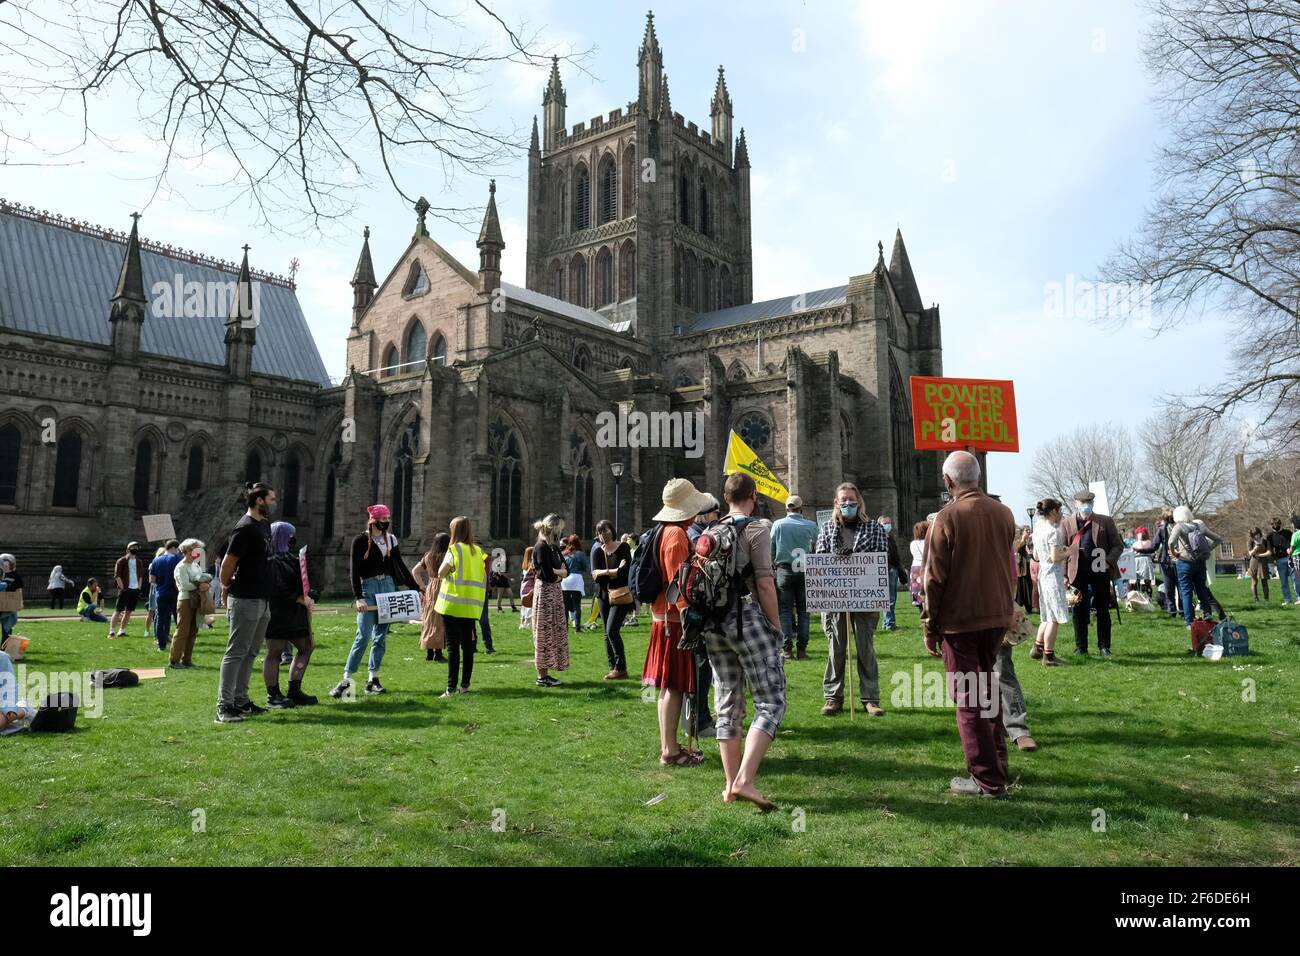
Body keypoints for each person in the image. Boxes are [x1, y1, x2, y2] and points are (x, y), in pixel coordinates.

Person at [920, 451, 1016, 798]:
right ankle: (997, 766)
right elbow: (1010, 567)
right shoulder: (1004, 513)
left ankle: (987, 779)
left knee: (971, 699)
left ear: (948, 481)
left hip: (961, 623)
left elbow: (933, 580)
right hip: (995, 617)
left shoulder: (947, 517)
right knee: (985, 691)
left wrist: (929, 626)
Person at [706, 472, 788, 810]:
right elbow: (766, 584)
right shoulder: (756, 529)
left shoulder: (710, 531)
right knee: (771, 701)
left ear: (725, 498)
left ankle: (729, 786)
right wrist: (776, 624)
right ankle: (745, 779)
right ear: (753, 496)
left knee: (728, 703)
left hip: (713, 625)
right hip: (747, 619)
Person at [643, 479, 709, 766]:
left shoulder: (665, 531)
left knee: (671, 687)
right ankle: (669, 750)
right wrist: (688, 614)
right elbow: (677, 583)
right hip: (672, 622)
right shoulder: (676, 536)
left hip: (665, 619)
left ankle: (670, 745)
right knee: (673, 686)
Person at [331, 504, 420, 699]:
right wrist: (359, 598)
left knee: (380, 636)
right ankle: (346, 680)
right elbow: (354, 570)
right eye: (383, 518)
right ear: (374, 520)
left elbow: (400, 566)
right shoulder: (360, 541)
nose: (387, 521)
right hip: (369, 588)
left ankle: (373, 679)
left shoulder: (391, 540)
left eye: (388, 518)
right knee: (362, 636)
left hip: (387, 587)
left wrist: (415, 587)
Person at [815, 482, 888, 717]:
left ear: (859, 502)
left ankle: (870, 698)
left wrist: (857, 559)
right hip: (836, 600)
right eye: (843, 500)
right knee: (836, 649)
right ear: (836, 503)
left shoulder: (874, 528)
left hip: (865, 600)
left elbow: (881, 559)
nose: (847, 504)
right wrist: (837, 559)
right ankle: (833, 697)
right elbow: (820, 559)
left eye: (851, 500)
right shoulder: (827, 529)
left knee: (865, 648)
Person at [216, 482, 277, 723]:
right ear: (259, 500)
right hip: (245, 598)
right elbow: (228, 563)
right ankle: (224, 705)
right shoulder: (244, 528)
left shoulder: (264, 526)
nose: (274, 502)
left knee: (251, 652)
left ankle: (240, 701)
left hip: (262, 598)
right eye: (271, 499)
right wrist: (226, 583)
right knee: (236, 652)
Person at [1058, 490, 1123, 657]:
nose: (1086, 505)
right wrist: (1064, 574)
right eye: (1082, 502)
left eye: (1089, 502)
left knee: (1102, 609)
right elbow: (1063, 550)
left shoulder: (1105, 521)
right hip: (1076, 571)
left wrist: (1108, 561)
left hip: (1100, 570)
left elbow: (1118, 546)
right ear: (1075, 503)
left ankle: (1104, 646)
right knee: (1078, 610)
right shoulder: (1066, 524)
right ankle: (1081, 647)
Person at [263, 522, 318, 707]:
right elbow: (278, 588)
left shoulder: (293, 558)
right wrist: (300, 599)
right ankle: (273, 695)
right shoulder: (270, 560)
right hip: (278, 612)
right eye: (290, 535)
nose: (293, 538)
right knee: (274, 653)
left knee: (306, 647)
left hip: (296, 613)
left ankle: (294, 689)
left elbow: (304, 583)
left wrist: (310, 595)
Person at [434, 516, 487, 697]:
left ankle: (450, 688)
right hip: (471, 605)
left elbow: (441, 573)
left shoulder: (454, 549)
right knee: (468, 646)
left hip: (452, 604)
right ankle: (465, 686)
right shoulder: (479, 551)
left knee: (453, 647)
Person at [771, 494, 818, 660]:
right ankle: (802, 650)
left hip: (784, 570)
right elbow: (817, 547)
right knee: (804, 611)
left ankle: (787, 649)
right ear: (801, 508)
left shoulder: (778, 525)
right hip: (805, 570)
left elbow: (772, 548)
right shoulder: (811, 525)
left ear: (786, 508)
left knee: (784, 611)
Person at [1168, 506, 1225, 629]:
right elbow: (1218, 539)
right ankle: (1207, 615)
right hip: (1200, 562)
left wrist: (1174, 553)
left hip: (1185, 563)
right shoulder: (1199, 526)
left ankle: (1190, 622)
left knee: (1186, 592)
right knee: (1202, 590)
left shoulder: (1178, 527)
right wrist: (1208, 549)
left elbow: (1171, 542)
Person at [531, 514, 570, 687]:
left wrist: (559, 573)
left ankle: (547, 673)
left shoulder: (553, 548)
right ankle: (542, 676)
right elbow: (547, 574)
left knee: (554, 632)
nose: (561, 533)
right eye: (560, 529)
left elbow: (566, 569)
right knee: (544, 632)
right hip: (546, 595)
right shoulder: (541, 547)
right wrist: (559, 574)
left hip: (554, 593)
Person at [1028, 499, 1069, 667]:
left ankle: (1038, 647)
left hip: (1043, 574)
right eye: (1059, 510)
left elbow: (1036, 555)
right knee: (1054, 617)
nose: (1060, 513)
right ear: (1053, 511)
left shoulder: (1037, 528)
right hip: (1052, 575)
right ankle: (1049, 656)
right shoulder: (1053, 531)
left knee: (1045, 614)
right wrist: (1068, 551)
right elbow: (1055, 557)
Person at [591, 519, 632, 680]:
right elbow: (595, 576)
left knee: (612, 630)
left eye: (605, 530)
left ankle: (621, 667)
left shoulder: (623, 547)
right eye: (599, 532)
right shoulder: (597, 551)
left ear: (612, 530)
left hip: (620, 595)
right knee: (606, 634)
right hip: (603, 595)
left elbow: (625, 572)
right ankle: (613, 667)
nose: (602, 535)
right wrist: (613, 571)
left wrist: (604, 572)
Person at [171, 538, 211, 668]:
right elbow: (185, 585)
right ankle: (174, 660)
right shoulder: (181, 567)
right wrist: (200, 585)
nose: (199, 553)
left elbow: (201, 578)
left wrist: (205, 583)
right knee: (182, 630)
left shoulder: (195, 565)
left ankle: (186, 659)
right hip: (185, 600)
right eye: (196, 550)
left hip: (196, 600)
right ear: (188, 551)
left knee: (194, 630)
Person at [413, 533, 451, 662]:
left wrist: (422, 586)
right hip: (444, 587)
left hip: (431, 587)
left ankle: (429, 653)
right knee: (440, 620)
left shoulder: (428, 556)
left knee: (429, 619)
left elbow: (415, 571)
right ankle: (438, 653)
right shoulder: (447, 556)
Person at [148, 539, 183, 652]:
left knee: (160, 619)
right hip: (175, 592)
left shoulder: (156, 560)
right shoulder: (178, 558)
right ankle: (180, 644)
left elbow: (152, 580)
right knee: (179, 619)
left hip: (161, 593)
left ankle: (161, 645)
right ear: (174, 548)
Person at [109, 541, 147, 639]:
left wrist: (139, 587)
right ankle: (112, 631)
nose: (135, 549)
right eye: (133, 547)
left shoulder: (139, 561)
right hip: (125, 589)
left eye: (136, 547)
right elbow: (117, 575)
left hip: (135, 589)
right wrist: (122, 587)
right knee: (118, 610)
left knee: (129, 611)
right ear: (128, 549)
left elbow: (141, 576)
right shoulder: (121, 561)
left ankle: (122, 631)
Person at [1153, 509, 1181, 619]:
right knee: (1173, 587)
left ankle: (1178, 611)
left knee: (1175, 588)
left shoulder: (1177, 528)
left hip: (1174, 561)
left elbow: (1154, 546)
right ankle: (1175, 611)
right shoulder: (1163, 530)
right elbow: (1154, 546)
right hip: (1170, 561)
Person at [560, 535, 589, 632]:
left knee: (565, 605)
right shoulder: (580, 554)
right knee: (577, 605)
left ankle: (565, 628)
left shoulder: (564, 553)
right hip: (576, 579)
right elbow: (585, 567)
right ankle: (577, 628)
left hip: (565, 579)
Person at [1266, 518, 1295, 605]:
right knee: (1283, 581)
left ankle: (1298, 597)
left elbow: (1292, 544)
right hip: (1279, 560)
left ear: (1279, 524)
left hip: (1290, 558)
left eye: (1275, 525)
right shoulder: (1270, 536)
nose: (1274, 527)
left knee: (1295, 579)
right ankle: (1287, 599)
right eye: (1272, 525)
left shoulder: (1288, 533)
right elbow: (1270, 548)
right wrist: (1274, 559)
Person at [1246, 527, 1272, 603]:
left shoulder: (1265, 541)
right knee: (1254, 581)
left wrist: (1260, 555)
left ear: (1260, 533)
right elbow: (1250, 553)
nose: (1256, 536)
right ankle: (1256, 599)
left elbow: (1269, 552)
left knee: (1264, 581)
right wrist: (1256, 547)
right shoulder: (1250, 542)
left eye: (1257, 534)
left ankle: (1267, 600)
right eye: (1254, 535)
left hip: (1263, 562)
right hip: (1254, 562)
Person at [1013, 527, 1034, 612]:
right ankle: (1021, 605)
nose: (1028, 532)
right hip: (1022, 568)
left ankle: (1029, 606)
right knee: (1022, 588)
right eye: (1026, 530)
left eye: (1029, 530)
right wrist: (1023, 539)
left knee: (1029, 587)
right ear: (1022, 532)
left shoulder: (1031, 541)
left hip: (1031, 566)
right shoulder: (1018, 541)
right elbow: (1017, 549)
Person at [1132, 526, 1156, 595]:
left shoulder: (1146, 542)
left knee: (1143, 580)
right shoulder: (1147, 542)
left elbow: (1139, 548)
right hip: (1141, 561)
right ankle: (1143, 596)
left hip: (1142, 561)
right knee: (1141, 581)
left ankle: (1146, 596)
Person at [909, 520, 928, 609]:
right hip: (926, 567)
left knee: (917, 589)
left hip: (915, 567)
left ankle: (919, 606)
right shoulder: (928, 542)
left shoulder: (913, 543)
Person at [518, 546, 536, 630]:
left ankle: (522, 623)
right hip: (530, 586)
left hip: (523, 586)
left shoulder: (524, 564)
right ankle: (527, 623)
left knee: (524, 605)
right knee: (530, 605)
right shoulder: (531, 564)